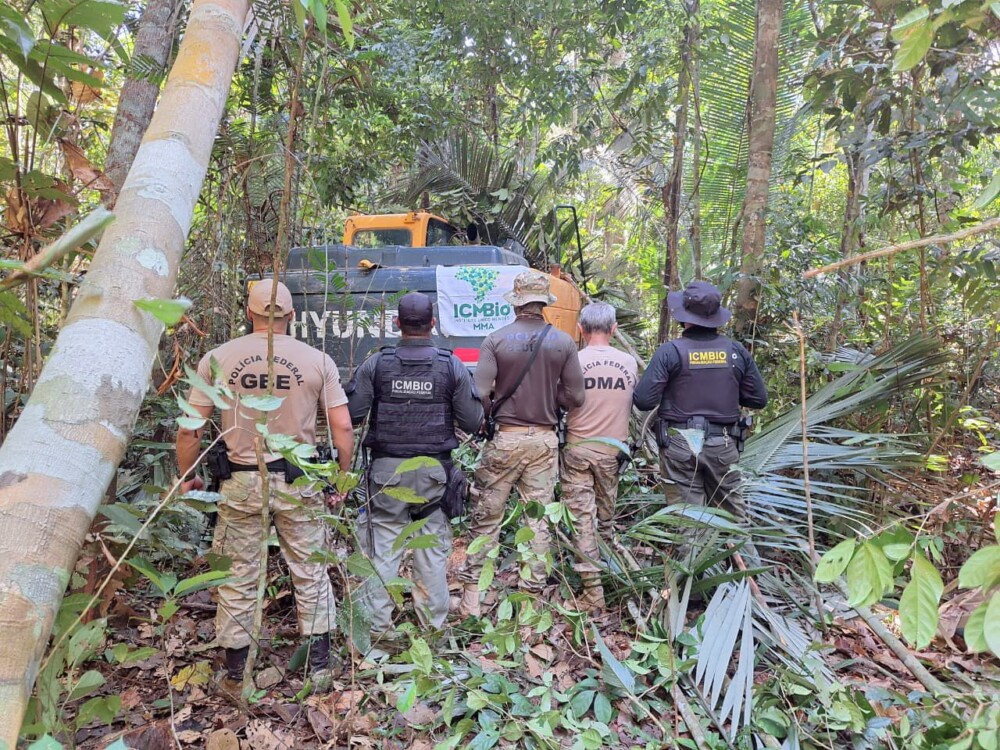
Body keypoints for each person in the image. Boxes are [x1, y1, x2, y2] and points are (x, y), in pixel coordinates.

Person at [175, 279, 354, 695]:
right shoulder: (317, 360)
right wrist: (340, 479)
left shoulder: (217, 358)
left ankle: (237, 674)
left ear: (248, 313)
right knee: (310, 569)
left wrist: (188, 476)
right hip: (299, 481)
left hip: (240, 480)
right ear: (292, 315)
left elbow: (190, 430)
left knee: (237, 575)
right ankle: (319, 669)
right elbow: (342, 427)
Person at [346, 292, 483, 641]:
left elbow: (352, 414)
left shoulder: (377, 365)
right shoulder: (450, 365)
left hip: (386, 474)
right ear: (432, 323)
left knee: (382, 551)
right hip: (434, 475)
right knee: (432, 552)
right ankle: (432, 632)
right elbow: (472, 421)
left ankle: (377, 634)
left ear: (397, 324)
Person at [456, 270, 585, 617]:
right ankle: (529, 603)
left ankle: (473, 600)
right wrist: (550, 396)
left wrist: (492, 410)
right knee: (537, 520)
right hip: (544, 441)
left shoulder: (495, 340)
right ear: (544, 304)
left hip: (506, 438)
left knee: (486, 516)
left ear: (516, 303)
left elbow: (480, 392)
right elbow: (577, 397)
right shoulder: (563, 343)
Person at [633, 281, 767, 546]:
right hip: (723, 444)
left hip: (680, 445)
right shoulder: (735, 352)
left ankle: (696, 570)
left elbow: (644, 400)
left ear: (684, 316)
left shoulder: (670, 352)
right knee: (734, 519)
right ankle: (743, 568)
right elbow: (758, 399)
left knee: (689, 522)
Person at [560, 302, 637, 611]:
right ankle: (611, 576)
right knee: (605, 520)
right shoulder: (629, 362)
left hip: (578, 450)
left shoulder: (573, 361)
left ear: (581, 329)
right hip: (612, 452)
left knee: (583, 520)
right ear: (614, 329)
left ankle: (593, 591)